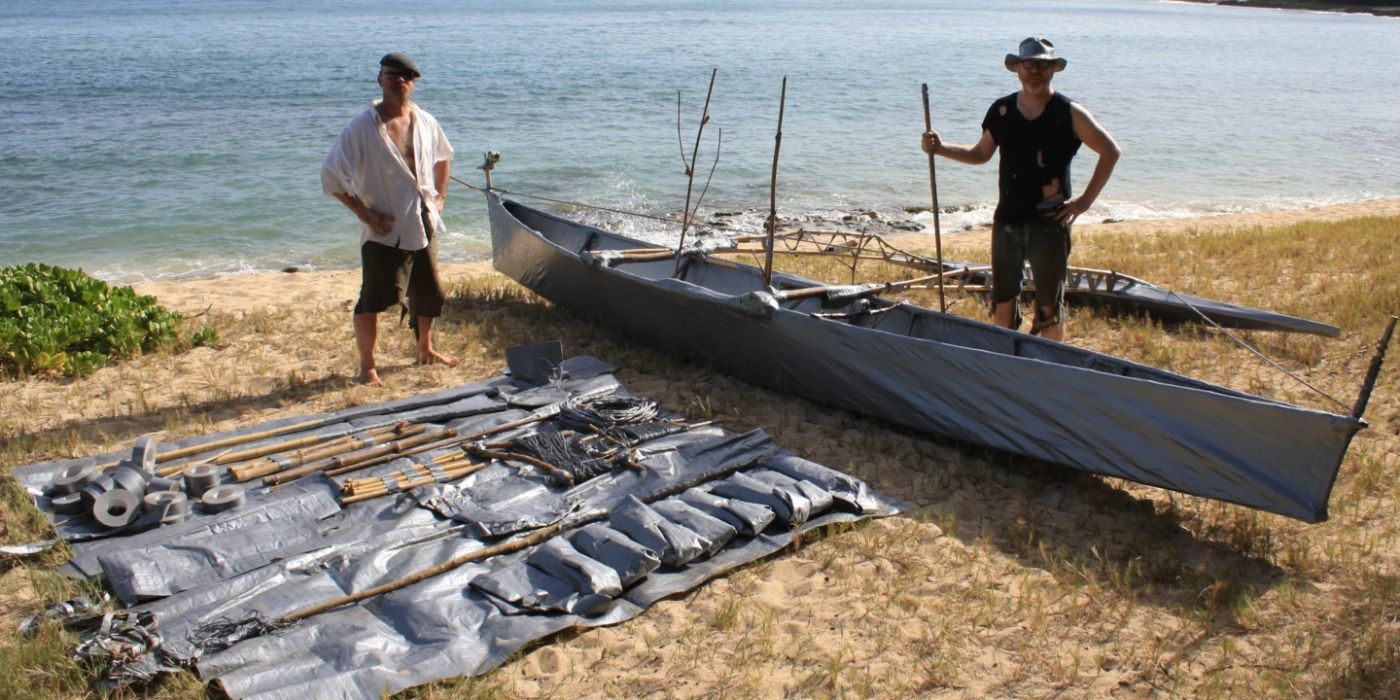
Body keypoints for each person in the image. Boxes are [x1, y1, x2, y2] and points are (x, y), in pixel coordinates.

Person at [922, 37, 1120, 341]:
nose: (1035, 71)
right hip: (1007, 223)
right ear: (1018, 69)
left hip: (1049, 224)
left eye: (1042, 65)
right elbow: (980, 154)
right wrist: (941, 148)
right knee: (1002, 306)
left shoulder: (1069, 113)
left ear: (1053, 70)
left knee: (1049, 310)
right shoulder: (1001, 110)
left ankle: (1049, 369)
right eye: (1029, 65)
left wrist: (1084, 202)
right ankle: (1003, 367)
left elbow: (1110, 151)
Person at [322, 52, 457, 385]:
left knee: (429, 291)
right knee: (374, 297)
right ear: (380, 78)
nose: (400, 80)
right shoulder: (362, 128)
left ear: (414, 82)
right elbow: (331, 174)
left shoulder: (425, 121)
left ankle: (425, 348)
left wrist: (439, 198)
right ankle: (367, 366)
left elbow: (444, 158)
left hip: (423, 219)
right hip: (385, 228)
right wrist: (364, 213)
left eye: (407, 75)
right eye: (393, 74)